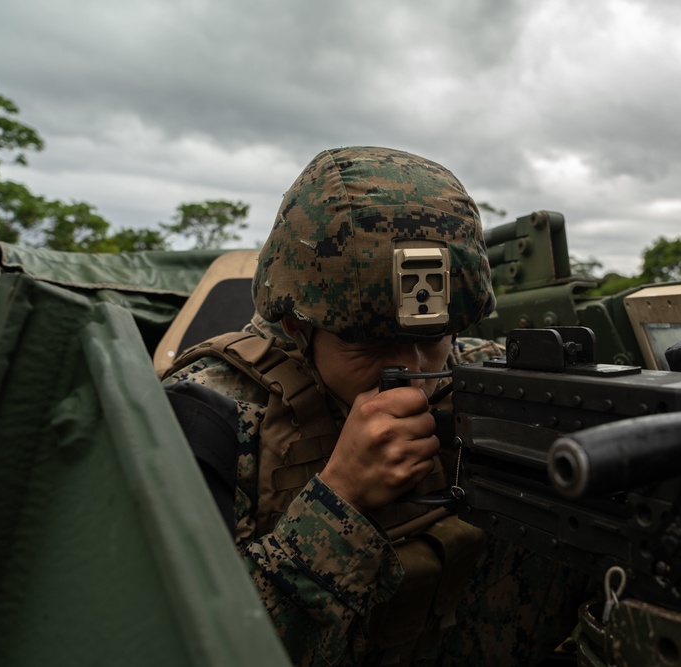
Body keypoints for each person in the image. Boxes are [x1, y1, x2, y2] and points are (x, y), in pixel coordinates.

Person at [163, 146, 587, 666]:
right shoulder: (210, 416)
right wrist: (340, 499)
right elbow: (180, 643)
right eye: (371, 346)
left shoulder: (486, 377)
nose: (412, 372)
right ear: (297, 325)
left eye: (435, 339)